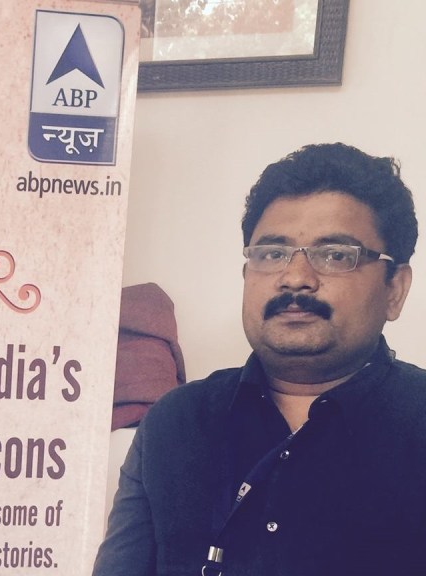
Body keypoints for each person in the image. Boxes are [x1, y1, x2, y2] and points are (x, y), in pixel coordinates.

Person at [93, 143, 426, 576]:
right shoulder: (176, 422)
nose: (295, 278)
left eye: (335, 255)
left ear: (395, 289)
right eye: (272, 254)